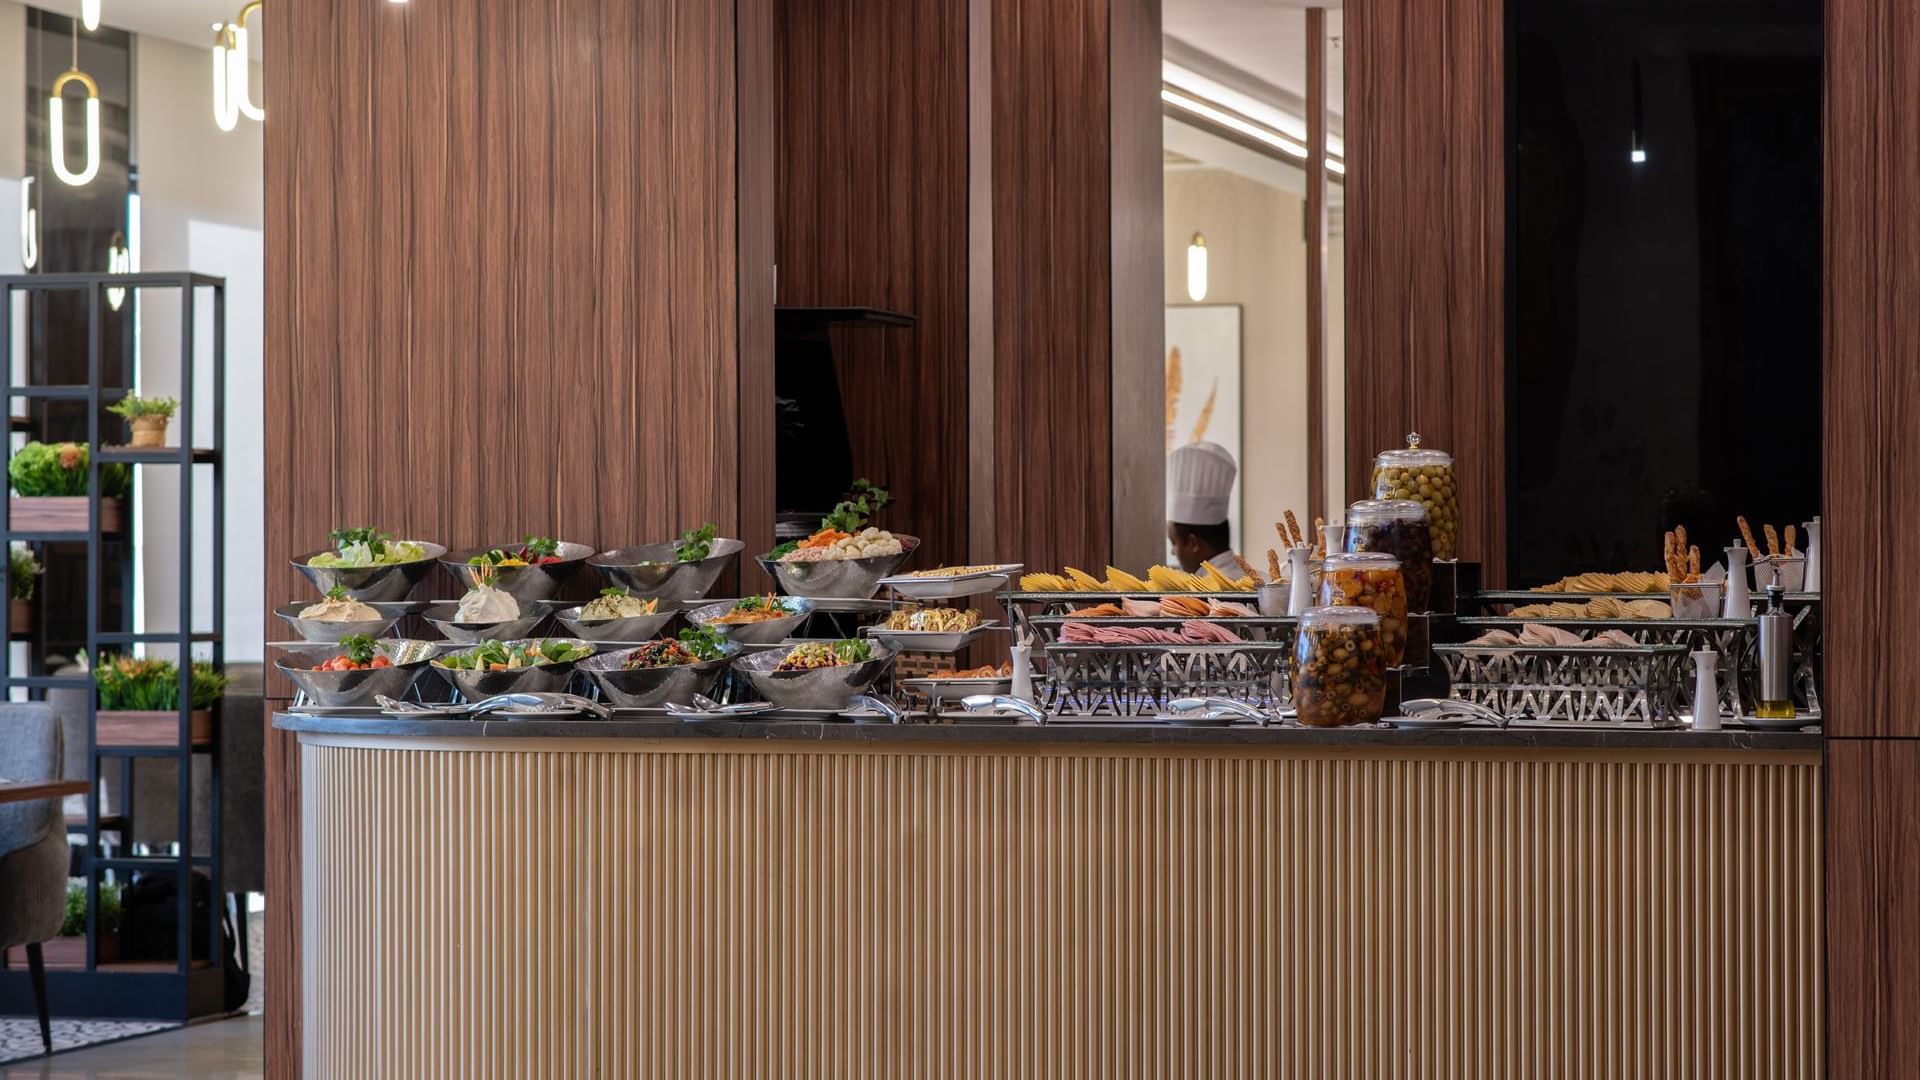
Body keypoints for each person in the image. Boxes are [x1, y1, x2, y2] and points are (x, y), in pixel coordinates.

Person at [1166, 441, 1241, 575]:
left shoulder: (1207, 587)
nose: (1173, 552)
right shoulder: (1263, 580)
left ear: (1193, 543)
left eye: (1174, 543)